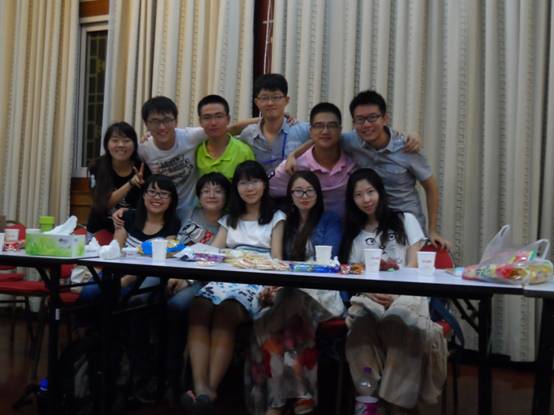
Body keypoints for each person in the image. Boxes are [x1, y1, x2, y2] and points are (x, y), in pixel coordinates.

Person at [339, 169, 447, 414]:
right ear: (352, 200)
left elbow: (413, 265)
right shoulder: (353, 234)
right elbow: (354, 273)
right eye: (358, 195)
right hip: (370, 295)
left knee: (400, 322)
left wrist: (397, 293)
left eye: (370, 192)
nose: (366, 199)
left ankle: (394, 404)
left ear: (380, 192)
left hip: (406, 291)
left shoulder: (405, 219)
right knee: (359, 330)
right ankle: (368, 399)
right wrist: (369, 293)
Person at [184, 161, 285, 414]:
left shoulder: (276, 217)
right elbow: (212, 254)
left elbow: (277, 260)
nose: (249, 188)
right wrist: (187, 271)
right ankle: (201, 388)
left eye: (254, 181)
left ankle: (209, 391)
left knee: (226, 312)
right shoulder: (230, 219)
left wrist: (271, 289)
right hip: (225, 276)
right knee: (198, 307)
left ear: (264, 184)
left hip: (256, 278)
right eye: (243, 182)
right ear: (236, 187)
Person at [245, 171, 344, 415]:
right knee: (266, 322)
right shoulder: (285, 222)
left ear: (318, 194)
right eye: (298, 191)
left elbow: (328, 259)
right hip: (290, 291)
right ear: (290, 195)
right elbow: (280, 263)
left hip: (322, 292)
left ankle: (277, 404)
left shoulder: (330, 220)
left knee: (284, 315)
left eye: (309, 190)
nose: (304, 195)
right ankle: (295, 399)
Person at [342, 90, 450, 248]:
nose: (366, 124)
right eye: (360, 119)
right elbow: (321, 137)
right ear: (354, 123)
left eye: (373, 117)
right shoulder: (351, 142)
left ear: (385, 118)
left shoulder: (407, 148)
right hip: (372, 228)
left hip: (407, 227)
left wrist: (432, 230)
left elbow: (431, 187)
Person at [270, 102, 356, 217]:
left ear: (340, 130)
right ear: (311, 131)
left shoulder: (354, 159)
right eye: (319, 126)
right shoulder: (294, 166)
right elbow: (264, 189)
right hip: (308, 226)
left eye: (331, 126)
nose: (325, 131)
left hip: (349, 226)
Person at [240, 74, 311, 175]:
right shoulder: (248, 134)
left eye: (276, 97)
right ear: (257, 102)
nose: (270, 103)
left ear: (286, 100)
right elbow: (225, 133)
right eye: (264, 98)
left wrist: (294, 154)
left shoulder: (302, 130)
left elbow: (326, 138)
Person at [86, 121, 149, 236]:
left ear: (134, 144)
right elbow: (102, 205)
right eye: (115, 140)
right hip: (100, 229)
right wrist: (130, 183)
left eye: (126, 141)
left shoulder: (143, 167)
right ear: (107, 144)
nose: (121, 145)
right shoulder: (96, 167)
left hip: (132, 231)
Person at [196, 95, 255, 181]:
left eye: (219, 116)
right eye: (207, 118)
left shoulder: (244, 152)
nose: (213, 123)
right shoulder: (195, 151)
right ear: (200, 122)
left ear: (228, 119)